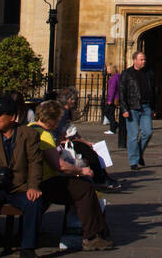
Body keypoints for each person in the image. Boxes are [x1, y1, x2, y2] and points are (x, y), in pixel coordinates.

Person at [30, 101, 114, 250]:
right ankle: (91, 236)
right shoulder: (45, 135)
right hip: (45, 182)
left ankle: (98, 231)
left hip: (35, 180)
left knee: (80, 186)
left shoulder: (30, 128)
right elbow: (59, 165)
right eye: (57, 121)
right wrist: (82, 171)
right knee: (85, 189)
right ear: (51, 120)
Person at [0, 94, 43, 258]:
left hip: (18, 187)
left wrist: (33, 186)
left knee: (34, 202)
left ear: (12, 117)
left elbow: (35, 163)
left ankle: (27, 249)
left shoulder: (28, 134)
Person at [120, 50, 156, 170]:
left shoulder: (149, 72)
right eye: (141, 59)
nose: (144, 61)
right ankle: (134, 161)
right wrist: (124, 109)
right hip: (132, 108)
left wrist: (154, 108)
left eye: (144, 59)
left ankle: (138, 153)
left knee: (148, 131)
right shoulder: (127, 73)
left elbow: (154, 91)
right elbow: (122, 92)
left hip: (146, 107)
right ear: (134, 60)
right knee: (133, 136)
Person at [103, 65, 120, 133]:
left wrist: (110, 100)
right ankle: (115, 125)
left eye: (108, 69)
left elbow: (112, 89)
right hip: (116, 97)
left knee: (107, 112)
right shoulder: (118, 76)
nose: (106, 70)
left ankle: (114, 127)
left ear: (111, 69)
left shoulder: (113, 78)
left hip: (113, 98)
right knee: (110, 113)